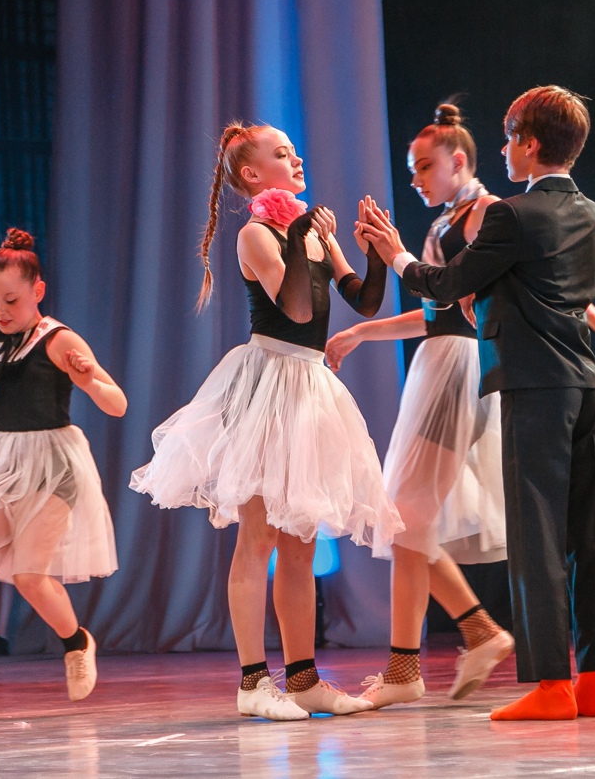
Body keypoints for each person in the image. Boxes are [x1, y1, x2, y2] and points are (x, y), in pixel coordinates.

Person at [327, 103, 595, 708]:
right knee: (586, 536)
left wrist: (395, 254)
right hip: (580, 383)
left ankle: (547, 682)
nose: (503, 149)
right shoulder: (591, 212)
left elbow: (446, 289)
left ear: (527, 144)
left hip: (522, 382)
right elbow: (543, 289)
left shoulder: (503, 213)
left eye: (508, 138)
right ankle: (591, 680)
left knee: (532, 537)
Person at [130, 123, 401, 721]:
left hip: (309, 385)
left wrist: (376, 254)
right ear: (252, 174)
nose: (296, 158)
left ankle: (303, 679)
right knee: (258, 538)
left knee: (301, 543)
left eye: (294, 150)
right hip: (268, 384)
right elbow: (296, 309)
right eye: (282, 154)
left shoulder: (311, 230)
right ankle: (253, 681)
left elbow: (361, 299)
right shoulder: (256, 235)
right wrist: (302, 234)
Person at [0, 229, 126, 725]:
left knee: (28, 575)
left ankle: (76, 641)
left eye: (11, 300)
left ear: (37, 291)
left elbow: (117, 404)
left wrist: (88, 377)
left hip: (51, 467)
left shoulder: (60, 339)